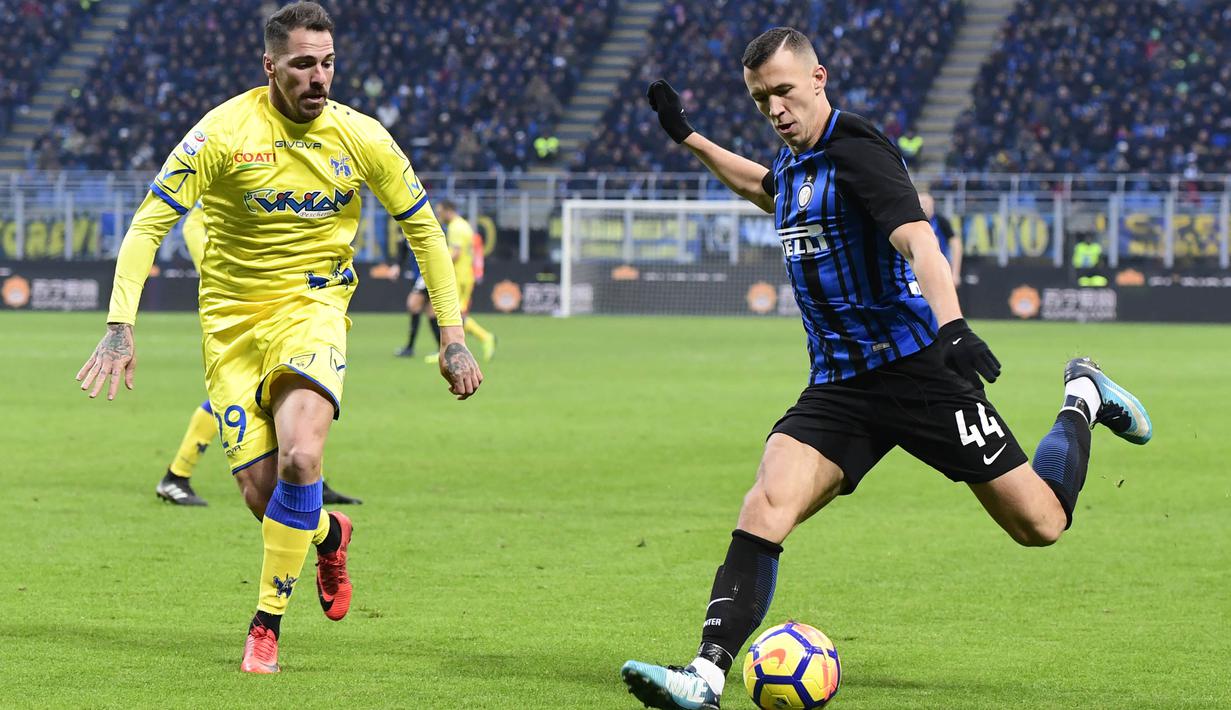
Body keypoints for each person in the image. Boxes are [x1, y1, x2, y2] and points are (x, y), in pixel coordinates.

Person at [621, 27, 1151, 709]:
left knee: (1039, 524)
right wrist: (687, 138)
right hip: (838, 386)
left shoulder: (857, 152)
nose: (774, 109)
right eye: (760, 101)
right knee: (765, 503)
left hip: (916, 372)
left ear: (818, 79)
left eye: (783, 91)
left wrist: (952, 326)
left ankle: (1081, 394)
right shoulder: (793, 162)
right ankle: (705, 674)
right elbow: (764, 186)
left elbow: (918, 240)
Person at [75, 1, 483, 674]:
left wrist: (451, 335)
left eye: (326, 63)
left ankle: (265, 625)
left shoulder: (363, 137)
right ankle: (329, 532)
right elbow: (149, 223)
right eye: (302, 64)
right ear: (270, 66)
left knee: (301, 457)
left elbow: (423, 231)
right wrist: (120, 326)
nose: (317, 77)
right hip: (232, 328)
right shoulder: (223, 133)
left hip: (312, 309)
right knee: (267, 499)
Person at [157, 205, 362, 506]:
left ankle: (309, 477)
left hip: (274, 296)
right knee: (244, 393)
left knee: (299, 382)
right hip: (234, 300)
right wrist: (220, 279)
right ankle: (177, 474)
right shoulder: (227, 169)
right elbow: (193, 223)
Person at [422, 199, 497, 364]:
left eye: (440, 211)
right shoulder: (463, 225)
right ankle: (449, 348)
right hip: (464, 275)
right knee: (452, 313)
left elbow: (455, 254)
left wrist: (436, 263)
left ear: (449, 210)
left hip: (458, 277)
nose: (438, 215)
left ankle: (483, 338)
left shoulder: (456, 227)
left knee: (451, 314)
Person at [918, 192, 962, 287]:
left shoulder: (941, 221)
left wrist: (955, 273)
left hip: (941, 270)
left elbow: (956, 244)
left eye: (925, 202)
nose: (922, 206)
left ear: (932, 203)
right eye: (920, 202)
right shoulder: (915, 223)